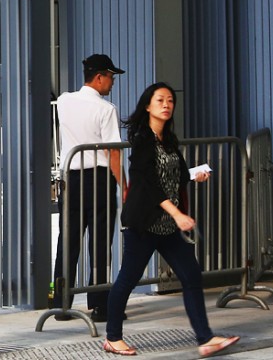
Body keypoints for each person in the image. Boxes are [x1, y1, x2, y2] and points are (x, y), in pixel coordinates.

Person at [102, 83, 240, 357]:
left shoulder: (169, 140)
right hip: (144, 222)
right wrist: (177, 214)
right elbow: (150, 184)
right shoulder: (141, 140)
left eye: (170, 101)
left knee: (191, 275)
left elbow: (172, 176)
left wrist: (192, 175)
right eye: (160, 100)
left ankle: (205, 338)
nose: (166, 105)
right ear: (147, 106)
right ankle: (112, 338)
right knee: (128, 279)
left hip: (167, 226)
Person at [53, 53, 125, 322]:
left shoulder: (63, 101)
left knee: (67, 242)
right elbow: (114, 153)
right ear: (99, 77)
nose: (113, 82)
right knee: (100, 243)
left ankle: (61, 304)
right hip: (99, 179)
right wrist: (125, 185)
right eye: (111, 77)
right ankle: (99, 305)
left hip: (70, 180)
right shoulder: (106, 110)